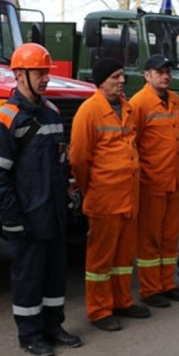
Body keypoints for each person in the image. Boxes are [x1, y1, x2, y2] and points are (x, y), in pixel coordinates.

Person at [0, 43, 82, 356]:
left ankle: (53, 326)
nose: (45, 79)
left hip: (52, 212)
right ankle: (29, 335)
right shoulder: (5, 118)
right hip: (26, 215)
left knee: (54, 274)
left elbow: (56, 163)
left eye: (46, 72)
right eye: (39, 72)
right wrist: (12, 216)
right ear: (20, 75)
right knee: (28, 278)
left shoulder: (50, 112)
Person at [70, 58, 148, 332]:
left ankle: (121, 301)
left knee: (124, 257)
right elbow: (79, 159)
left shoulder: (127, 108)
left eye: (123, 75)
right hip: (104, 198)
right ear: (101, 80)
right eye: (116, 76)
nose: (122, 80)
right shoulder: (89, 111)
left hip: (128, 197)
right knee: (100, 259)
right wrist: (91, 187)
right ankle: (99, 310)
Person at [129, 54, 179, 308]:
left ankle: (168, 283)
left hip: (173, 181)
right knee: (150, 239)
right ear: (147, 75)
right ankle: (151, 288)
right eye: (159, 71)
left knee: (169, 236)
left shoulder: (174, 100)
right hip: (151, 182)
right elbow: (132, 145)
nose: (165, 75)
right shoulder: (139, 103)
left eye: (167, 71)